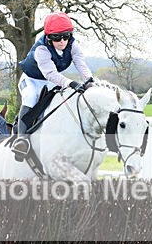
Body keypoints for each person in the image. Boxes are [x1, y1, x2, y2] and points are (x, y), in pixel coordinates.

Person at [13, 11, 94, 155]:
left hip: (50, 80)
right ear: (49, 38)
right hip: (31, 80)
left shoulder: (73, 45)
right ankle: (21, 139)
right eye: (57, 38)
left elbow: (81, 64)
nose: (62, 41)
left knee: (62, 98)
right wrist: (71, 83)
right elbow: (50, 74)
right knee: (31, 97)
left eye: (66, 36)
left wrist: (89, 81)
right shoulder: (41, 49)